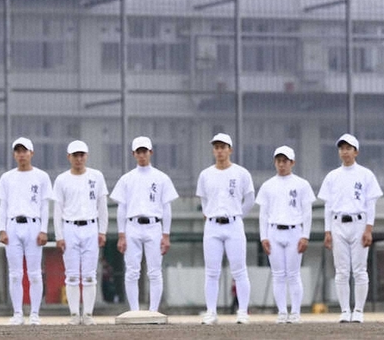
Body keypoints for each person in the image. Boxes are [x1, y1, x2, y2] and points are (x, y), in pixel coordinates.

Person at [317, 133, 383, 324]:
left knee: (360, 269)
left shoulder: (365, 174)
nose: (344, 152)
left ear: (356, 152)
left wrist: (369, 229)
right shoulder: (332, 176)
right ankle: (345, 310)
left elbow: (371, 204)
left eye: (348, 148)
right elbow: (328, 207)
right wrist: (327, 231)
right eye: (342, 148)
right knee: (342, 270)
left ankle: (359, 310)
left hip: (359, 223)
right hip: (338, 224)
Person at [110, 136, 179, 313]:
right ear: (134, 154)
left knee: (154, 271)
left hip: (154, 226)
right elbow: (122, 208)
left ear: (151, 152)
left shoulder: (161, 178)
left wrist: (166, 234)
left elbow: (166, 208)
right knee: (132, 271)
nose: (142, 155)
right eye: (138, 152)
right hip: (132, 225)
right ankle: (134, 311)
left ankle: (154, 310)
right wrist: (121, 234)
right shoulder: (127, 179)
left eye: (145, 151)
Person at [195, 133, 255, 325]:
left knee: (239, 270)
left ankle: (243, 311)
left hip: (234, 224)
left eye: (223, 147)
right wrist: (210, 213)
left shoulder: (241, 173)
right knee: (212, 271)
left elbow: (250, 199)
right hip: (212, 226)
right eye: (216, 147)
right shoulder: (205, 174)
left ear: (230, 149)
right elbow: (203, 199)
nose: (220, 151)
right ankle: (211, 311)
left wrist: (237, 215)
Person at [0, 137, 52, 326]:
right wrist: (2, 229)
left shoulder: (41, 177)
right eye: (18, 151)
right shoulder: (7, 177)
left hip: (33, 225)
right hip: (13, 225)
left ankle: (34, 313)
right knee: (15, 273)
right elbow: (3, 205)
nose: (21, 154)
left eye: (24, 151)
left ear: (31, 153)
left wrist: (43, 229)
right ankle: (18, 312)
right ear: (14, 154)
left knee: (34, 273)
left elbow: (44, 205)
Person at [255, 146, 316, 324]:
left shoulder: (301, 184)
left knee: (293, 274)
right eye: (279, 161)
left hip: (294, 231)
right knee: (278, 274)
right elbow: (263, 214)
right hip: (274, 231)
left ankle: (295, 312)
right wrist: (263, 237)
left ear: (292, 162)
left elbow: (307, 212)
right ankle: (282, 312)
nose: (281, 164)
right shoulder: (268, 185)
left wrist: (305, 235)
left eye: (285, 161)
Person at [52, 140, 109, 325]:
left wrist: (103, 231)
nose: (78, 158)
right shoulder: (62, 179)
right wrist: (59, 235)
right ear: (69, 157)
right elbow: (57, 209)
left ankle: (89, 314)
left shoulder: (96, 176)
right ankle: (75, 314)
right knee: (72, 274)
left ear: (86, 156)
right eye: (75, 155)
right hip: (70, 227)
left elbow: (102, 206)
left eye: (81, 155)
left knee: (90, 274)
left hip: (91, 227)